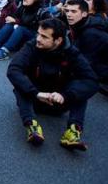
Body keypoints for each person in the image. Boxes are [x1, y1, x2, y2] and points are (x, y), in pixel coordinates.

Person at [6, 18, 98, 150]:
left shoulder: (71, 53)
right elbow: (13, 70)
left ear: (58, 40)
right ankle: (32, 126)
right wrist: (36, 93)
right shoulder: (31, 46)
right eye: (38, 34)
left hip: (59, 101)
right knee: (21, 85)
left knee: (80, 88)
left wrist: (66, 95)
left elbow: (91, 80)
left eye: (44, 37)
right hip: (35, 99)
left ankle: (73, 131)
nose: (38, 38)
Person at [64, 0, 108, 95]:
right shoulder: (80, 24)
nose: (69, 14)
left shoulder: (91, 33)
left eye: (73, 11)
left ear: (84, 14)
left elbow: (85, 62)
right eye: (67, 11)